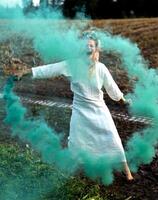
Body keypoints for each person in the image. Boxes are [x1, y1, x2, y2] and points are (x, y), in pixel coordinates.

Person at [12, 33, 133, 181]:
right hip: (80, 111)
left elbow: (112, 88)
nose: (88, 46)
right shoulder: (71, 64)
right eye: (86, 44)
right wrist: (25, 72)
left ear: (96, 48)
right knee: (77, 142)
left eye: (91, 45)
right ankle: (72, 172)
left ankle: (127, 172)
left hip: (99, 110)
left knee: (112, 139)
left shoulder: (101, 68)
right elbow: (49, 69)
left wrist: (123, 100)